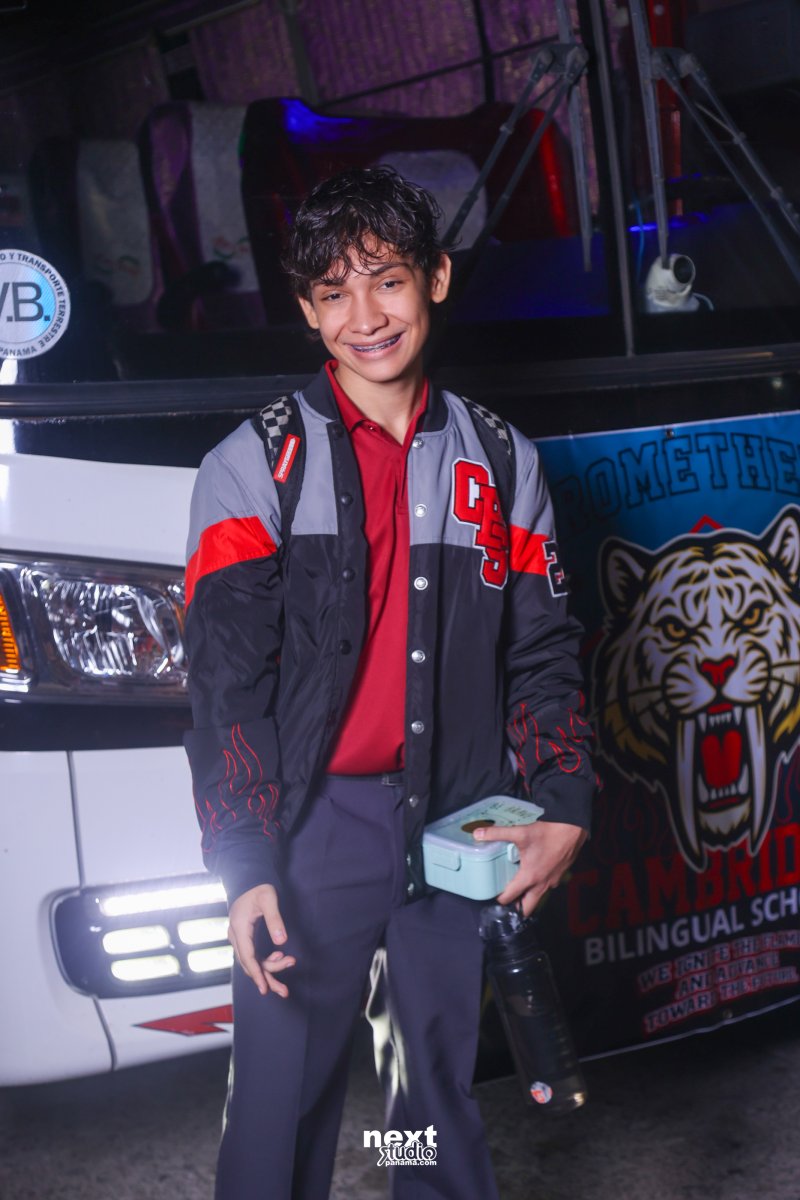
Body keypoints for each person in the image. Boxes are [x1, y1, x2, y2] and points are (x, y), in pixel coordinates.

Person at [184, 165, 595, 1200]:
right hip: (310, 831)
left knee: (429, 1102)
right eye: (334, 291)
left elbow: (542, 652)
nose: (364, 317)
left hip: (458, 826)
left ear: (436, 279)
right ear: (305, 307)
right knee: (280, 1106)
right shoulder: (252, 466)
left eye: (388, 281)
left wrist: (563, 801)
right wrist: (245, 859)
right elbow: (227, 687)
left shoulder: (502, 461)